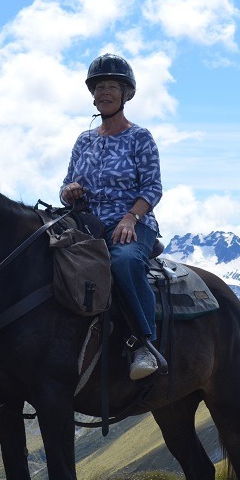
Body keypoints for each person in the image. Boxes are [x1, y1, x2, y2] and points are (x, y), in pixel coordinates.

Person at [59, 53, 162, 380]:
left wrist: (131, 218)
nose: (104, 93)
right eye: (99, 87)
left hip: (132, 225)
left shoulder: (139, 137)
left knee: (124, 262)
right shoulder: (84, 141)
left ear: (126, 94)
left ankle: (144, 344)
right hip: (87, 225)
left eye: (111, 87)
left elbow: (153, 187)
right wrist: (70, 191)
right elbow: (64, 185)